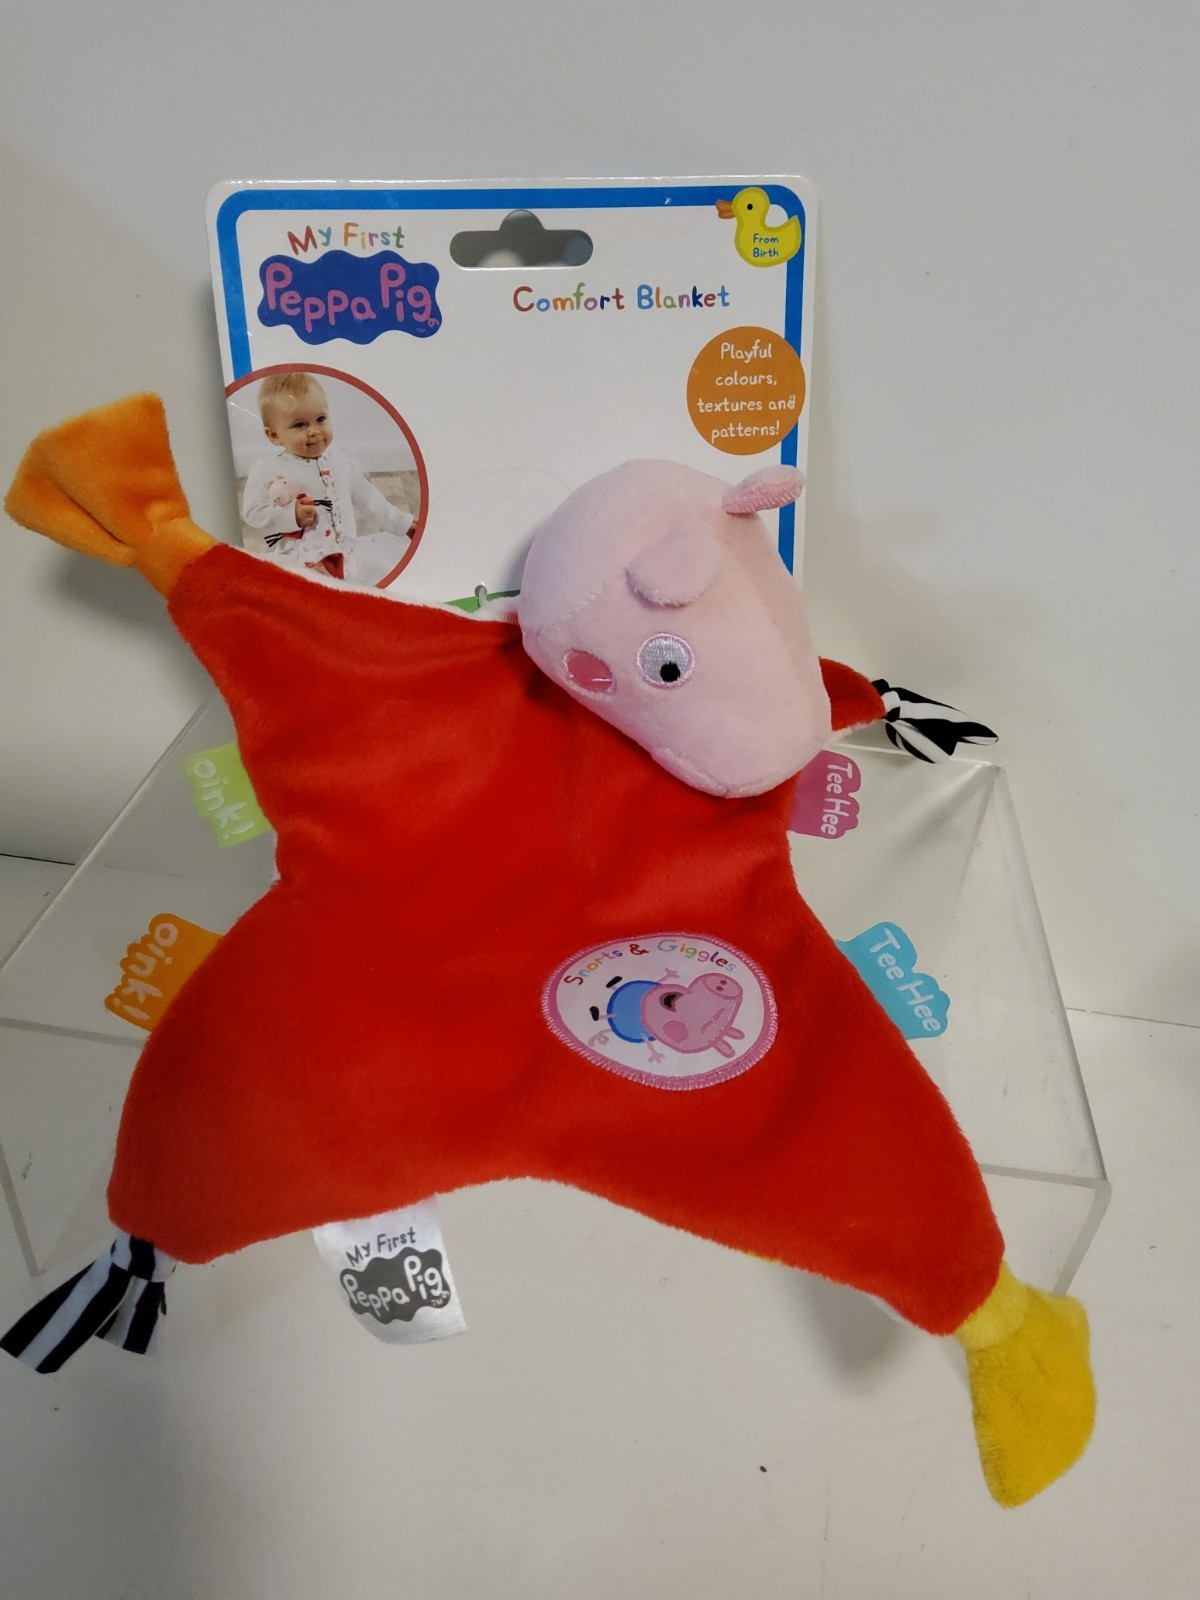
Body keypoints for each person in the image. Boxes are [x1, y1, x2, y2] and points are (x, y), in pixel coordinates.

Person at [241, 372, 414, 585]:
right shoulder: (268, 468)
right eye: (300, 425)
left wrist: (403, 524)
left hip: (349, 555)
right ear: (274, 435)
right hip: (298, 561)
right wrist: (291, 514)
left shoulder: (342, 460)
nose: (314, 431)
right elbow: (253, 513)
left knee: (385, 577)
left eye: (320, 419)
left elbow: (371, 500)